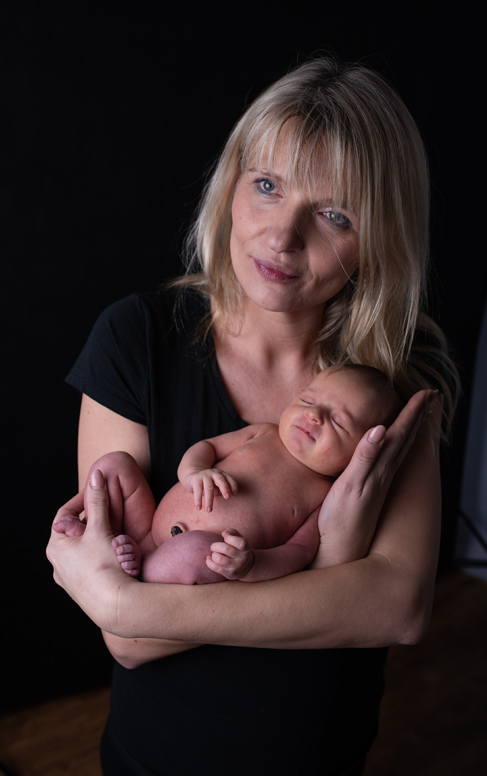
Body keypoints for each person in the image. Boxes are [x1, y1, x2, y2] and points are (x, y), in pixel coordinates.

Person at [47, 58, 458, 776]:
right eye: (267, 185)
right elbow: (131, 642)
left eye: (334, 215)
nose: (282, 236)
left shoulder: (394, 380)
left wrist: (127, 602)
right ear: (230, 184)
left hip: (319, 757)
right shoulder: (137, 338)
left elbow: (397, 608)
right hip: (157, 758)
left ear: (380, 239)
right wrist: (334, 561)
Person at [54, 365, 404, 585]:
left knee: (195, 551)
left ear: (363, 451)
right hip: (146, 528)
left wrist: (251, 564)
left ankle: (136, 572)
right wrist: (194, 471)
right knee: (114, 464)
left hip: (190, 559)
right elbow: (207, 446)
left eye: (339, 421)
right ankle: (99, 536)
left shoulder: (325, 494)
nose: (314, 416)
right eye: (309, 400)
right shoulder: (264, 432)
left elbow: (298, 552)